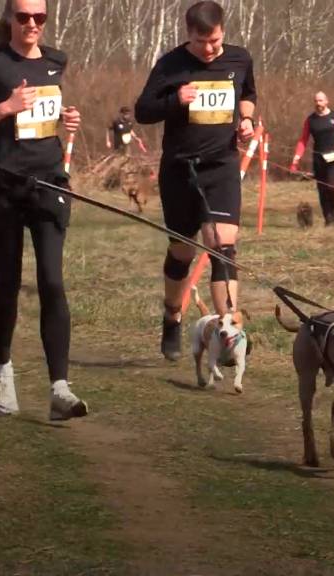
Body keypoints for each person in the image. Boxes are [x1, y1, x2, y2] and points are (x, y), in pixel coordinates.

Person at [0, 0, 88, 420]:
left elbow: (46, 118)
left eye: (40, 18)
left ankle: (60, 390)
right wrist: (5, 108)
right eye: (24, 17)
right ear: (10, 19)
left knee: (52, 280)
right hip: (1, 189)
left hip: (49, 185)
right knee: (8, 283)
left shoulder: (56, 61)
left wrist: (66, 123)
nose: (32, 24)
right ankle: (3, 369)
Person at [134, 0, 256, 361]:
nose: (210, 49)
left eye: (216, 41)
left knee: (222, 245)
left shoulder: (239, 59)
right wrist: (175, 99)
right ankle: (172, 314)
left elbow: (247, 94)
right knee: (182, 252)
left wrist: (246, 120)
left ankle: (229, 336)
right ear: (189, 35)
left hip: (221, 166)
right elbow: (143, 111)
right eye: (203, 42)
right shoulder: (171, 64)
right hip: (180, 170)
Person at [289, 91, 334, 226]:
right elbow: (303, 139)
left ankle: (333, 214)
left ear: (326, 101)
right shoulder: (311, 120)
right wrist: (297, 156)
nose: (318, 103)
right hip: (318, 158)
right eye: (316, 101)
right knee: (322, 188)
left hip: (333, 157)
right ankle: (328, 219)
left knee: (331, 186)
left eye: (321, 101)